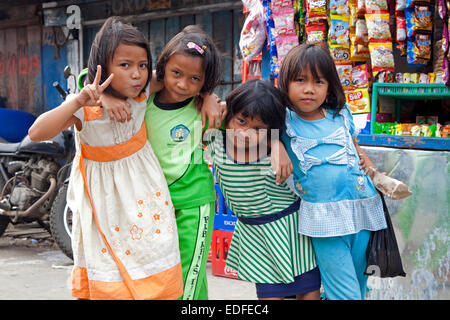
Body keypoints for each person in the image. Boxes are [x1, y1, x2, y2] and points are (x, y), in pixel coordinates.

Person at [28, 17, 183, 300]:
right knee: (110, 275)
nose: (137, 74)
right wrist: (79, 100)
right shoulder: (85, 108)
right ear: (103, 66)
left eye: (142, 65)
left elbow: (181, 73)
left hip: (144, 199)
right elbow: (37, 132)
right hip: (103, 203)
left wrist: (208, 95)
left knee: (154, 260)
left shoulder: (143, 92)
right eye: (125, 65)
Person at [278, 44, 388, 300]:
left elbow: (355, 149)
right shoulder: (282, 119)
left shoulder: (340, 114)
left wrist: (373, 170)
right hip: (324, 219)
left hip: (363, 208)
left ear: (329, 86)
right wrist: (275, 144)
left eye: (319, 81)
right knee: (345, 293)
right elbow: (242, 117)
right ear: (285, 83)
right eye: (300, 80)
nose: (309, 89)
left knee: (358, 287)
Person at [205, 79, 320, 300]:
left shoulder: (278, 153)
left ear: (271, 130)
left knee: (308, 290)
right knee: (269, 294)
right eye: (241, 121)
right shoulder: (216, 140)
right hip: (256, 237)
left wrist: (278, 145)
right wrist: (210, 98)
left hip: (292, 232)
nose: (245, 132)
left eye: (258, 128)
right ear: (229, 115)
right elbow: (193, 105)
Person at [147, 25, 222, 300]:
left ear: (205, 82)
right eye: (176, 73)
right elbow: (92, 78)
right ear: (163, 67)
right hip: (154, 203)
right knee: (164, 273)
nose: (182, 84)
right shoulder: (143, 103)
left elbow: (250, 120)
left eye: (194, 79)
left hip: (194, 204)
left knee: (189, 271)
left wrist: (211, 98)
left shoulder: (205, 109)